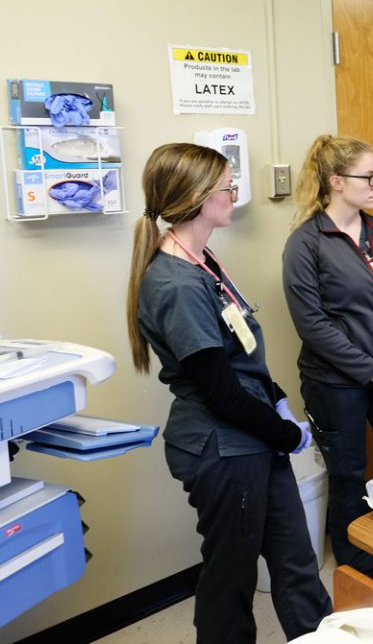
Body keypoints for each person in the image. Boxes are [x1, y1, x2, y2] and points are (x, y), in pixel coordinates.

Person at [126, 143, 331, 642]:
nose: (234, 195)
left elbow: (239, 348)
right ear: (197, 197)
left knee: (297, 564)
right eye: (227, 188)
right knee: (230, 578)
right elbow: (219, 392)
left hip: (253, 434)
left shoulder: (203, 260)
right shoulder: (174, 284)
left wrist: (276, 394)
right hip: (224, 447)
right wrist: (284, 433)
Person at [282, 135, 373, 585]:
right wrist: (371, 371)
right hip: (336, 383)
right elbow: (313, 326)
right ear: (336, 181)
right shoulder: (306, 244)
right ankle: (360, 573)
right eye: (369, 177)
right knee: (348, 477)